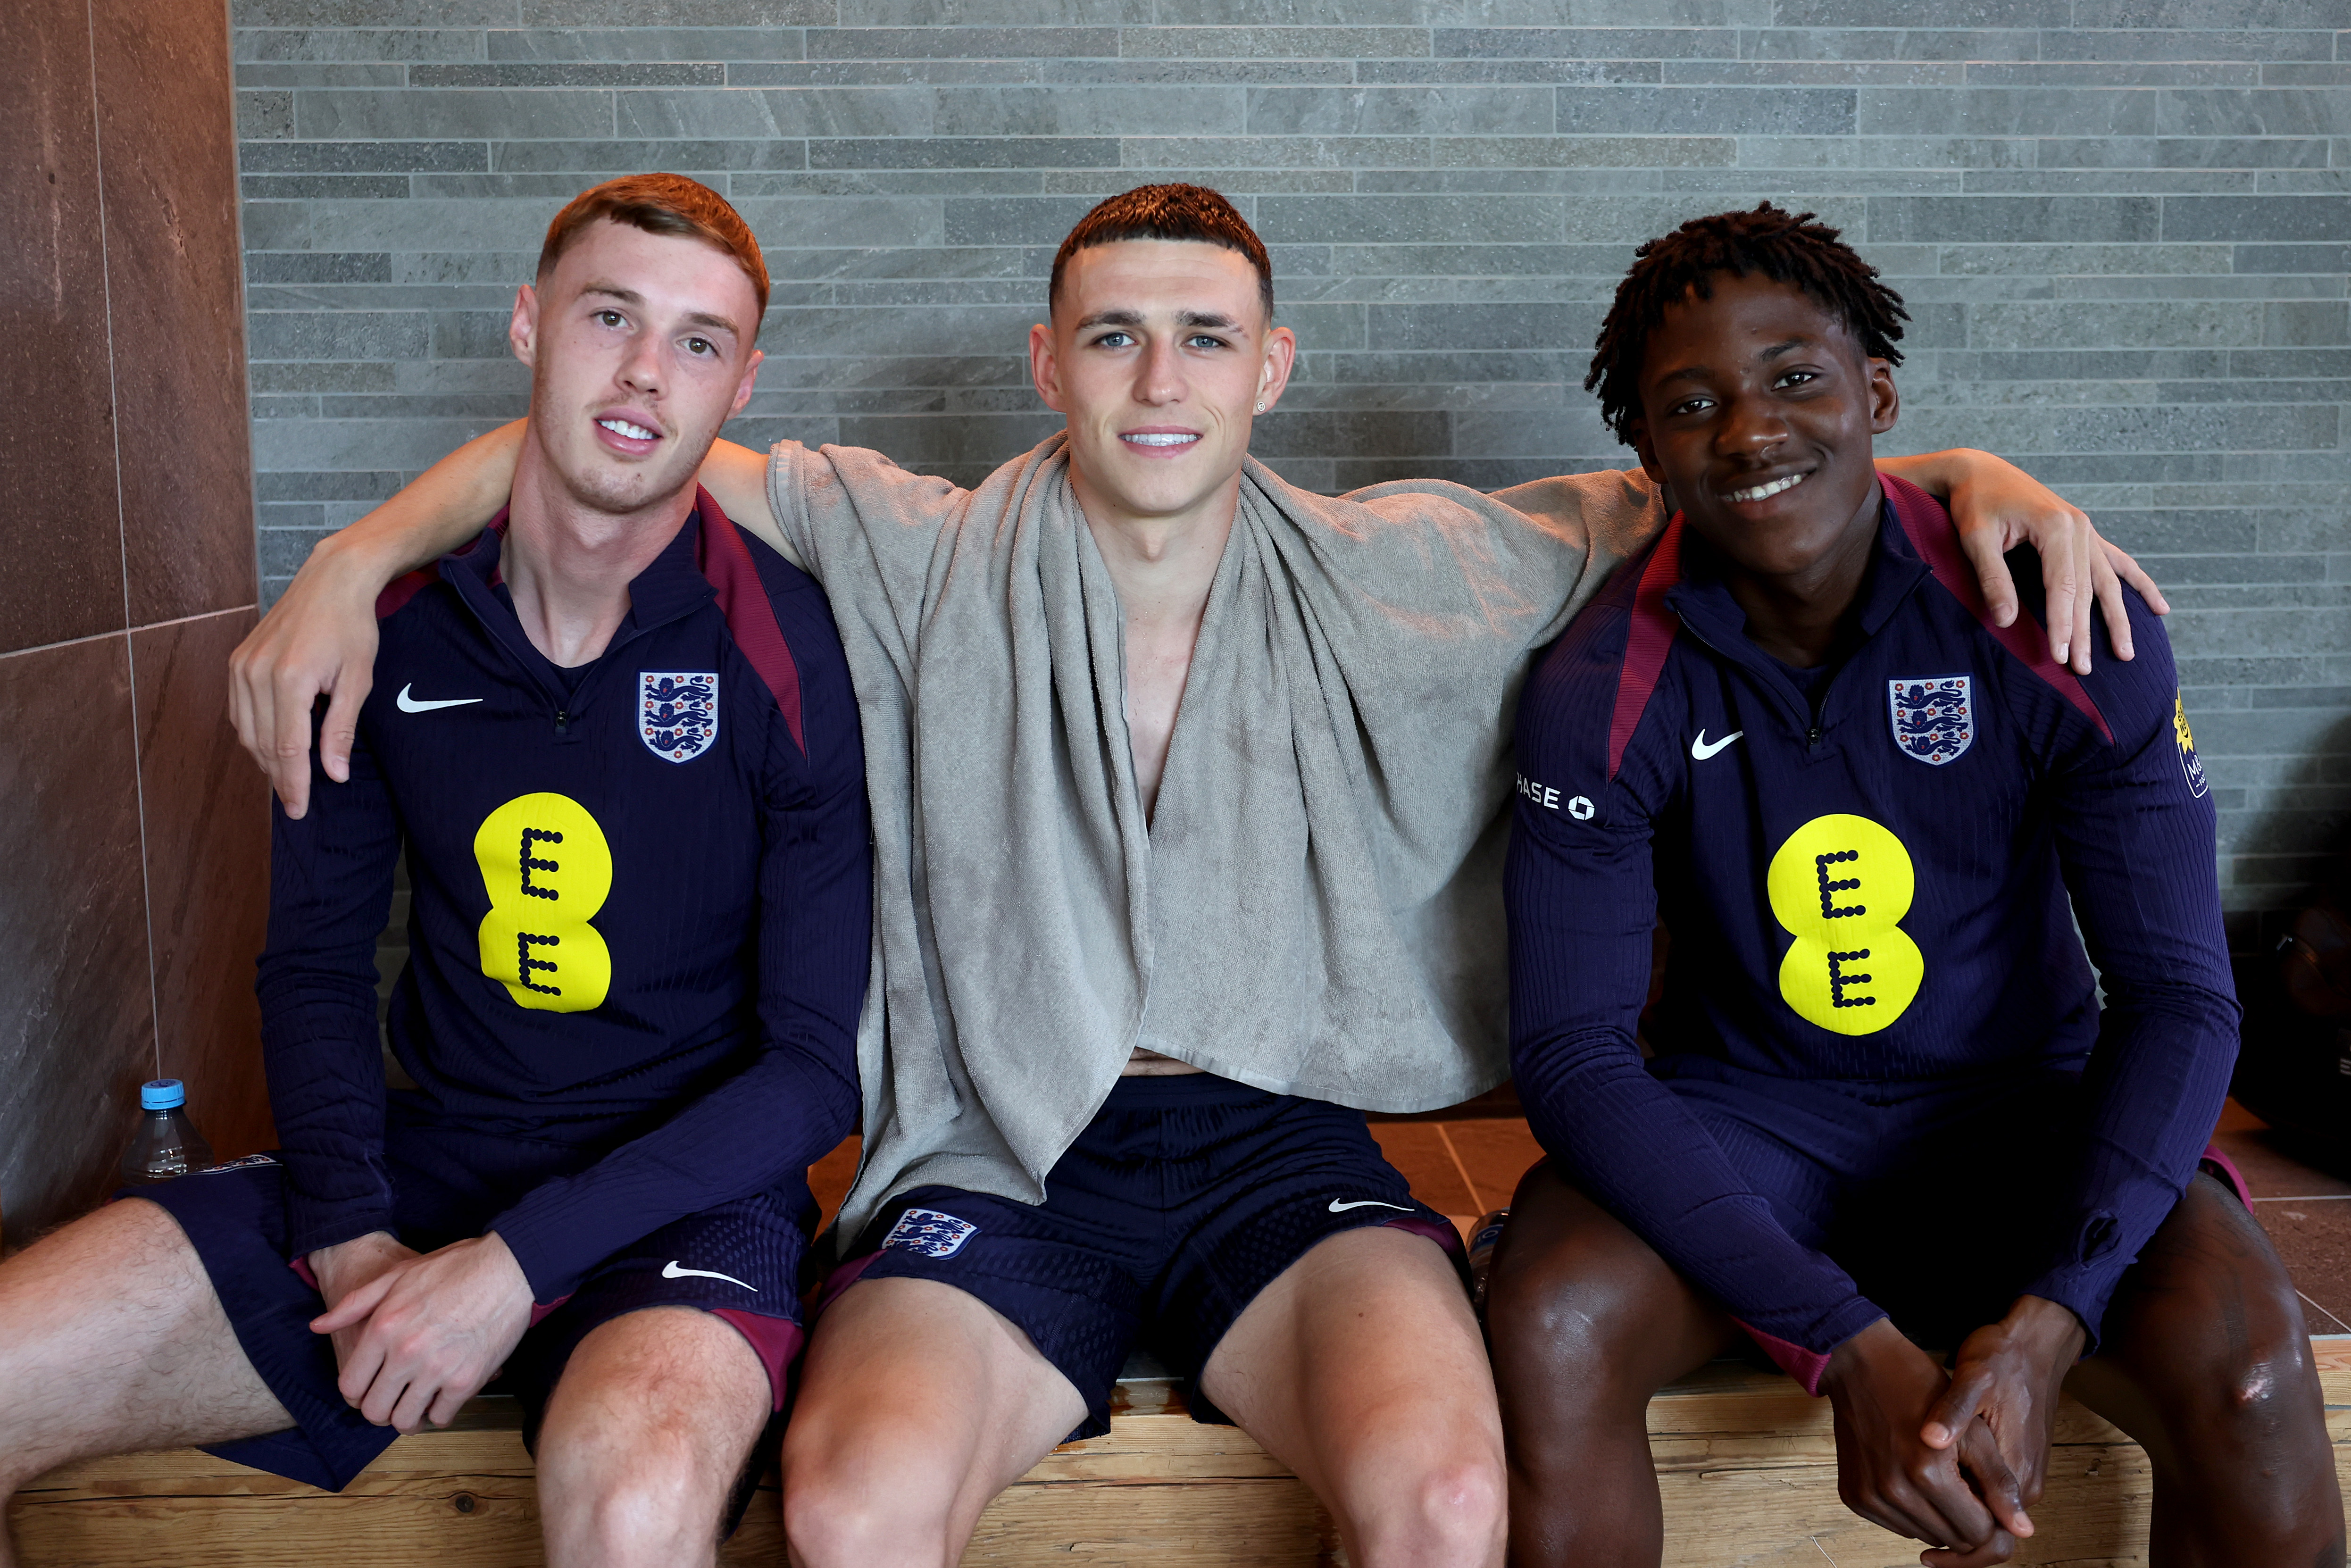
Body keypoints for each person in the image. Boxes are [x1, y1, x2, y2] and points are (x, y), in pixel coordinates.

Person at [225, 184, 2159, 1568]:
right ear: (1047, 359)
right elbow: (617, 441)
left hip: (1279, 1142)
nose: (1160, 377)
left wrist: (1978, 476)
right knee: (844, 1510)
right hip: (998, 1147)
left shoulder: (1415, 562)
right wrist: (349, 564)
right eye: (1116, 334)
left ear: (1269, 366)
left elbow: (1731, 474)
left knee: (1447, 1506)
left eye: (1206, 337)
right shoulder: (911, 544)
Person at [0, 174, 871, 1568]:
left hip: (686, 1196)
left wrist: (518, 1267)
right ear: (529, 324)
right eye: (609, 316)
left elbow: (817, 1068)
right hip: (429, 1163)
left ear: (742, 385)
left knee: (638, 1511)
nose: (648, 370)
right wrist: (349, 1229)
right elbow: (315, 963)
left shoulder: (793, 647)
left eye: (699, 342)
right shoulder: (380, 627)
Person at [1486, 203, 2341, 1568]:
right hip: (1751, 1122)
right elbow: (1574, 1056)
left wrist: (2054, 1315)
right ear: (1644, 452)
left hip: (2023, 1117)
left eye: (1796, 378)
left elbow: (2180, 994)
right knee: (1549, 1313)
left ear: (1877, 393)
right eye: (1692, 402)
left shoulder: (2062, 619)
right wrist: (1843, 1344)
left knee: (2251, 1363)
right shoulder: (1602, 683)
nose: (1752, 428)